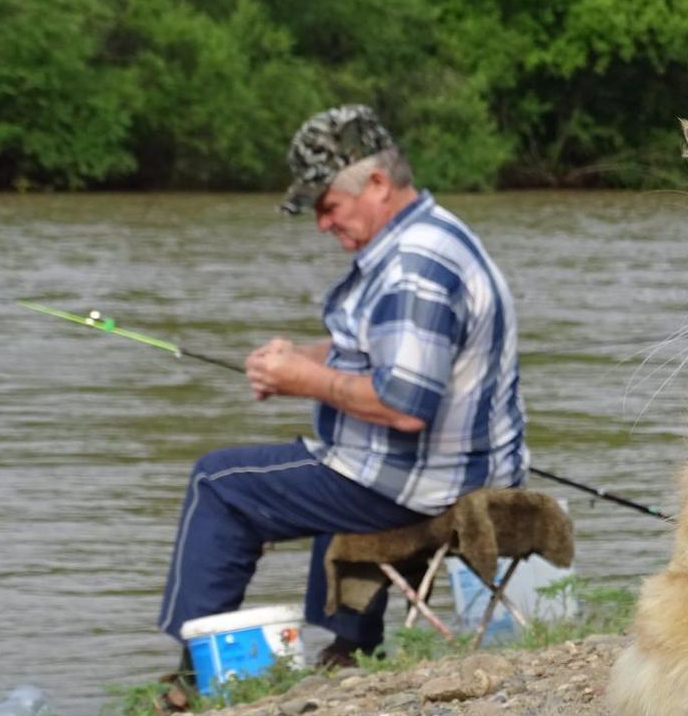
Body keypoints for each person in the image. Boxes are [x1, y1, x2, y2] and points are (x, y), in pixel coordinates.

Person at [157, 104, 527, 668]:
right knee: (318, 463)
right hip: (464, 467)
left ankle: (196, 669)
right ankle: (350, 645)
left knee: (221, 483)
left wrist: (305, 380)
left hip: (430, 483)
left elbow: (404, 407)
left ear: (376, 184)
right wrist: (298, 359)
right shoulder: (430, 234)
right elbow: (392, 353)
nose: (322, 223)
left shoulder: (413, 266)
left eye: (327, 205)